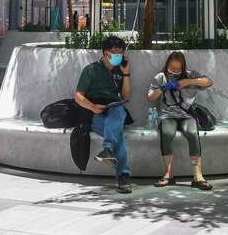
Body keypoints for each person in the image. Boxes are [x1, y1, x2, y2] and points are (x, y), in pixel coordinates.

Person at [74, 35, 133, 193]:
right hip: (95, 114)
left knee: (119, 109)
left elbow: (126, 97)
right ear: (105, 53)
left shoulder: (120, 71)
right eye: (114, 53)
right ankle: (123, 176)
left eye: (120, 53)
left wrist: (126, 74)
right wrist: (92, 107)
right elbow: (78, 96)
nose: (117, 56)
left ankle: (107, 149)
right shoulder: (91, 70)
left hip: (114, 110)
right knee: (117, 135)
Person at [147, 51, 214, 190]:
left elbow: (208, 82)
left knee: (192, 134)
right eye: (172, 68)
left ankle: (197, 176)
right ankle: (168, 174)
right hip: (168, 116)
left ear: (183, 67)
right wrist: (163, 88)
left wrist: (187, 81)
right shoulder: (161, 77)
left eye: (178, 69)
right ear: (167, 66)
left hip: (187, 115)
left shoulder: (190, 74)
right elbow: (150, 97)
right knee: (166, 134)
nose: (175, 71)